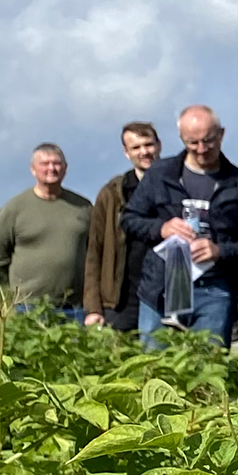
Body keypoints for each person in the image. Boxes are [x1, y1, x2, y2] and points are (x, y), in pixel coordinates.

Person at [124, 105, 238, 346]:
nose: (201, 150)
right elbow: (129, 220)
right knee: (153, 371)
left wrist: (221, 251)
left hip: (215, 290)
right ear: (181, 138)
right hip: (161, 289)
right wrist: (162, 228)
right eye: (192, 143)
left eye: (208, 141)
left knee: (209, 370)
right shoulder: (160, 174)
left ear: (221, 134)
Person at [0, 144, 94, 319]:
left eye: (57, 163)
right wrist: (24, 280)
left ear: (65, 169)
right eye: (45, 164)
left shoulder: (83, 207)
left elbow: (94, 251)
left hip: (74, 305)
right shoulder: (15, 208)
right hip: (30, 306)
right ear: (33, 169)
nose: (51, 168)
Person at [83, 123, 162, 329]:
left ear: (159, 146)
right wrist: (93, 308)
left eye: (148, 145)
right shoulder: (112, 193)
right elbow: (94, 252)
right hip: (121, 301)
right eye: (136, 147)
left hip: (165, 296)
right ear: (126, 153)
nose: (144, 152)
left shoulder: (178, 186)